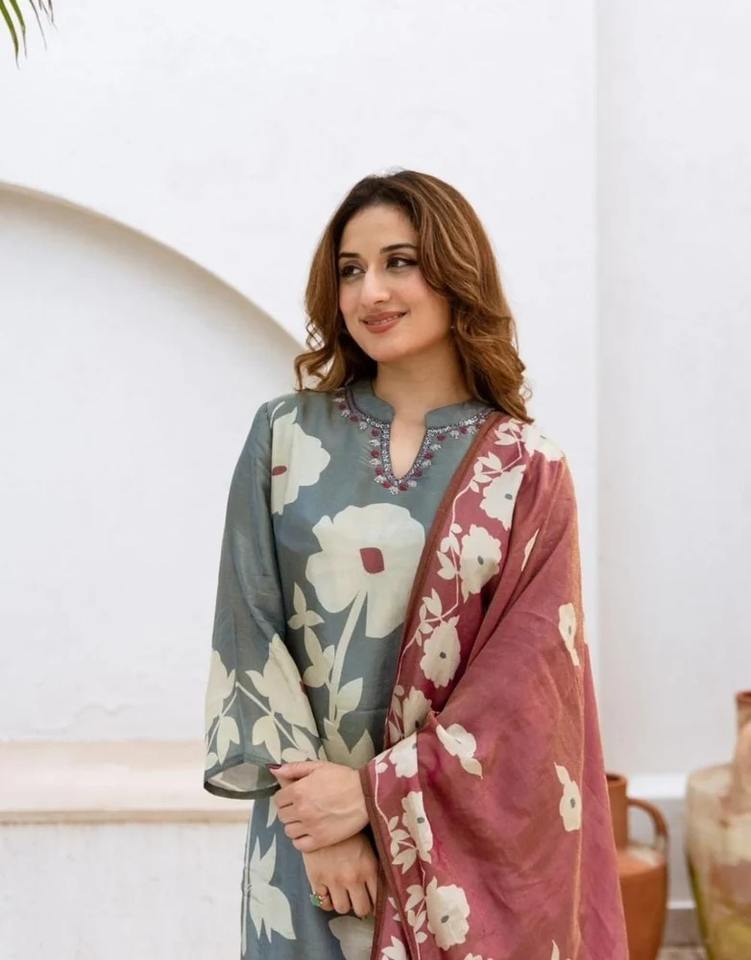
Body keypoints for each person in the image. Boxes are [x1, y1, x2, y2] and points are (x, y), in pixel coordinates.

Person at [203, 170, 628, 959]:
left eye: (399, 262)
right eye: (350, 269)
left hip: (453, 864)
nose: (370, 292)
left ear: (456, 273)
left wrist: (370, 798)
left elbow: (526, 697)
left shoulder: (525, 469)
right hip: (304, 847)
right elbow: (248, 630)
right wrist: (325, 826)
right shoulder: (285, 437)